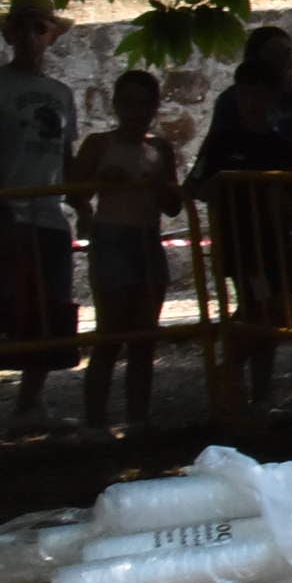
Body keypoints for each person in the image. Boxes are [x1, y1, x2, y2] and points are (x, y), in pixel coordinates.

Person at [0, 0, 84, 435]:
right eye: (22, 26)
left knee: (51, 308)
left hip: (49, 212)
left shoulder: (61, 93)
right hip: (6, 213)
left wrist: (81, 203)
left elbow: (65, 155)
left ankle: (29, 402)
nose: (30, 35)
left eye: (39, 27)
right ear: (9, 33)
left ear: (51, 36)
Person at [70, 68, 186, 429]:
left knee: (144, 338)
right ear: (117, 105)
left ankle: (139, 419)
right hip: (111, 239)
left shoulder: (161, 148)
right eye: (129, 103)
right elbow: (74, 191)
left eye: (144, 104)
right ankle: (95, 423)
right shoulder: (99, 144)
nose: (136, 112)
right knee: (110, 334)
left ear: (154, 107)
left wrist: (160, 186)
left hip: (147, 240)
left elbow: (173, 206)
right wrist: (98, 183)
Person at [190, 61, 292, 414]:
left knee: (271, 314)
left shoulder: (283, 145)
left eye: (260, 94)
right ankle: (232, 377)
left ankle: (258, 394)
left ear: (272, 98)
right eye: (245, 94)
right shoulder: (222, 142)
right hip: (239, 242)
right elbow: (196, 186)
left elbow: (291, 196)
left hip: (274, 242)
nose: (252, 102)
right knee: (259, 311)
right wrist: (221, 187)